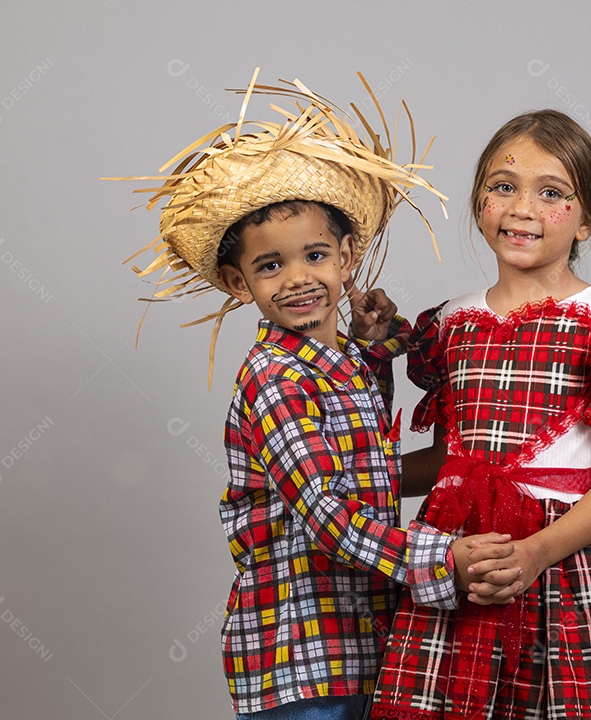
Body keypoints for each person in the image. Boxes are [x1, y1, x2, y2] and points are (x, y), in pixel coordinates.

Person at [109, 72, 513, 720]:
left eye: (315, 255)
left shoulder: (340, 365)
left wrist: (376, 350)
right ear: (239, 284)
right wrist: (447, 559)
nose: (297, 278)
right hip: (299, 656)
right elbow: (327, 514)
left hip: (366, 645)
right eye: (270, 266)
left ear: (347, 258)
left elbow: (362, 461)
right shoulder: (274, 379)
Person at [369, 109, 591, 720]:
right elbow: (449, 461)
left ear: (586, 220)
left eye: (552, 194)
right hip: (463, 556)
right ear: (477, 203)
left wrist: (538, 553)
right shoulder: (449, 325)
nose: (522, 209)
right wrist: (357, 485)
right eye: (503, 186)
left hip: (561, 562)